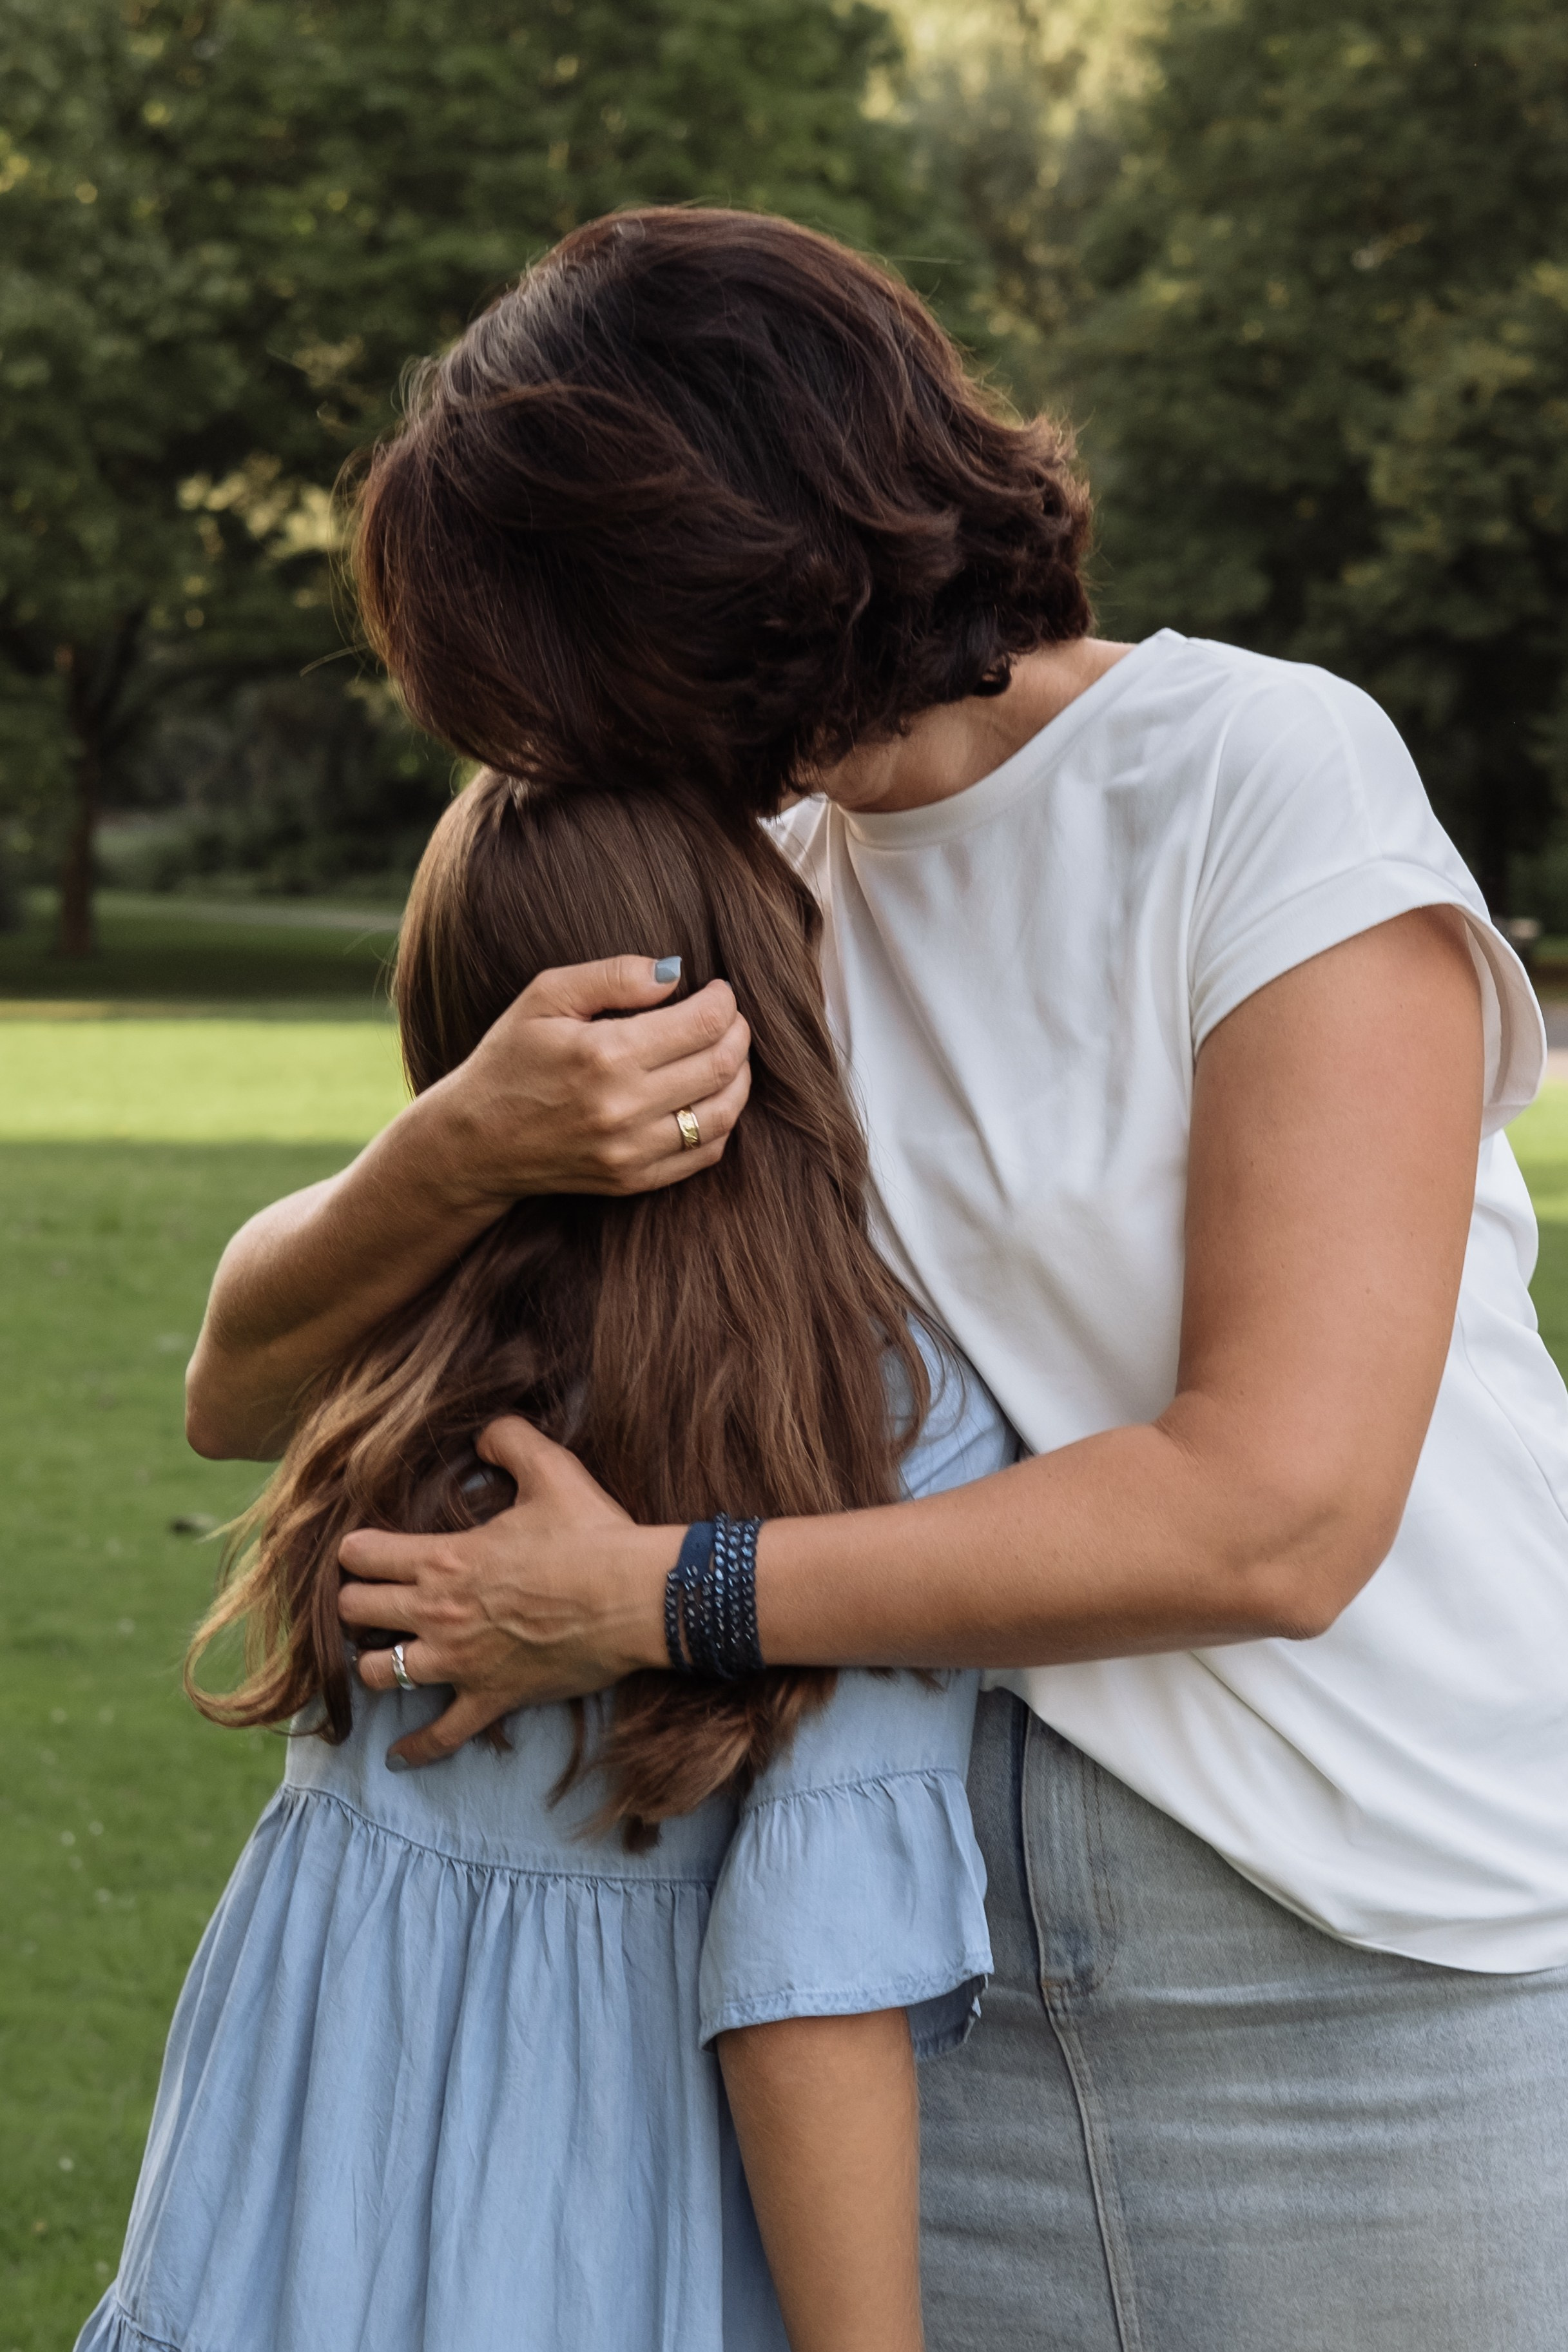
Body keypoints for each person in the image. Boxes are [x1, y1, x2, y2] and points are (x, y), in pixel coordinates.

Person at [189, 209, 1568, 2349]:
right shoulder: (754, 887)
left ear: (721, 564)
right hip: (914, 1982)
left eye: (553, 653)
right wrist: (458, 1143)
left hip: (1359, 1955)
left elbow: (1278, 1513)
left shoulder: (1255, 780)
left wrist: (654, 1597)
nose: (543, 739)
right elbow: (244, 1390)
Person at [80, 770, 1015, 2352]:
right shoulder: (878, 1417)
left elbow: (233, 1383)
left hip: (287, 2188)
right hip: (597, 2211)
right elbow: (811, 1989)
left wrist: (450, 1149)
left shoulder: (395, 1340)